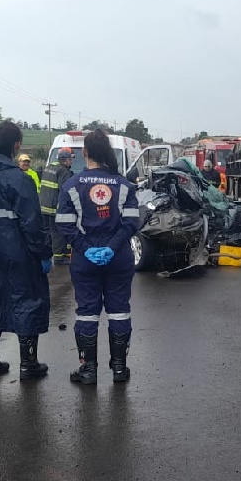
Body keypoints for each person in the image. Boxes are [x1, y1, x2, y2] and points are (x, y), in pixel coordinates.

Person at [0, 121, 52, 380]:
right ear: (16, 145)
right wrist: (43, 253)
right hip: (19, 252)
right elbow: (32, 222)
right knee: (26, 301)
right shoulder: (19, 179)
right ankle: (28, 364)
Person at [56, 129, 139, 385]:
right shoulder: (125, 186)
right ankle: (118, 369)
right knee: (119, 312)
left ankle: (89, 370)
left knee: (87, 314)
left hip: (84, 260)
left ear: (85, 153)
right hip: (119, 259)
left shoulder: (71, 185)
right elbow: (132, 223)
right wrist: (112, 248)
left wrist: (86, 248)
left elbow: (64, 224)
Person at [39, 147, 74, 264]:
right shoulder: (64, 171)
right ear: (65, 160)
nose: (71, 162)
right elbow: (65, 191)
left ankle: (47, 254)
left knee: (47, 232)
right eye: (70, 159)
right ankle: (59, 257)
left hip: (43, 207)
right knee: (57, 233)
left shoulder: (49, 167)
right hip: (54, 208)